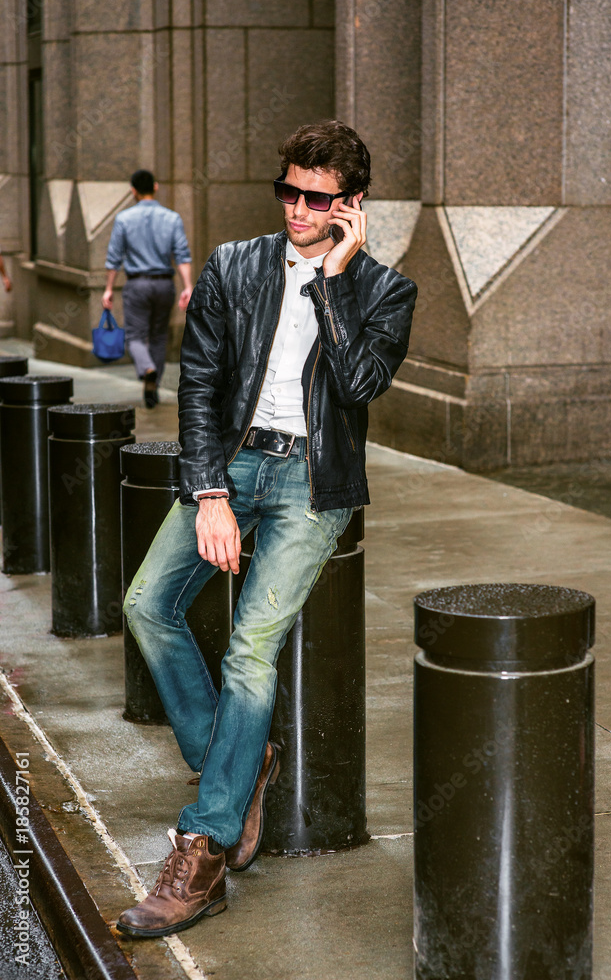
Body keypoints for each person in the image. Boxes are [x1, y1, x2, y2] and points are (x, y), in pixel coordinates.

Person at [116, 120, 417, 939]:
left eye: (316, 199)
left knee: (251, 648)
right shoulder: (233, 265)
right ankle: (241, 763)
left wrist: (335, 279)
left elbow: (357, 384)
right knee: (147, 604)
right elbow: (202, 383)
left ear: (350, 206)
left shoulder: (386, 291)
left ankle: (203, 851)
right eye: (287, 190)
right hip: (236, 464)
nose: (295, 208)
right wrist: (209, 490)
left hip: (312, 487)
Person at [103, 170, 193, 407]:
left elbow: (113, 258)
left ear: (133, 191)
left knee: (134, 337)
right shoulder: (172, 218)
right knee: (159, 337)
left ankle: (147, 369)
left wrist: (109, 288)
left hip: (137, 284)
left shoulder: (123, 219)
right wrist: (187, 286)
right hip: (165, 284)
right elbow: (182, 255)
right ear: (155, 186)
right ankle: (152, 385)